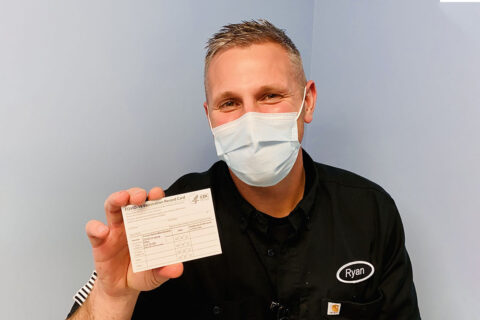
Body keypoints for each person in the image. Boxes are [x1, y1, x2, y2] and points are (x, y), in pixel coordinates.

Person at [67, 20, 420, 319]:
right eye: (230, 103)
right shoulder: (170, 217)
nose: (250, 120)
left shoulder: (370, 212)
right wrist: (112, 296)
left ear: (307, 101)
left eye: (270, 96)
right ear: (210, 117)